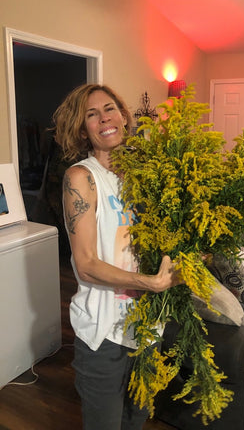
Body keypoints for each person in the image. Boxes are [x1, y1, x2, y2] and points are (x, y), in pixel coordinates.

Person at [52, 84, 181, 430]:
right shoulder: (82, 178)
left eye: (109, 109)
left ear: (124, 116)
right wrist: (149, 283)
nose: (103, 118)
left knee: (137, 418)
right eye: (91, 115)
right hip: (103, 333)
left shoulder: (146, 174)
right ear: (83, 130)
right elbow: (87, 265)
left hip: (148, 328)